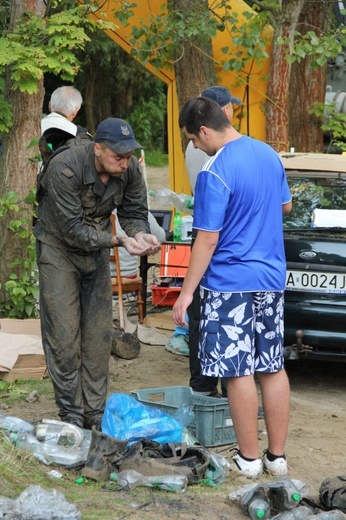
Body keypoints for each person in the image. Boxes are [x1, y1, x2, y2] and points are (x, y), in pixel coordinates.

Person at [173, 97, 292, 479]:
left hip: (229, 285)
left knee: (238, 369)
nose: (194, 146)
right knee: (271, 366)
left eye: (192, 138)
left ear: (204, 130)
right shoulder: (269, 155)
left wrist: (187, 292)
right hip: (271, 280)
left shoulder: (215, 170)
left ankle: (250, 459)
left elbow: (206, 240)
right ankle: (277, 457)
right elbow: (285, 207)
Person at [34, 117, 161, 431]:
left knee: (97, 337)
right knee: (63, 337)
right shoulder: (64, 167)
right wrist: (119, 240)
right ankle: (71, 414)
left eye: (128, 156)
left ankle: (94, 413)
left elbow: (133, 211)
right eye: (118, 157)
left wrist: (140, 233)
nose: (124, 163)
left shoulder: (128, 169)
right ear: (97, 150)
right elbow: (73, 230)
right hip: (59, 249)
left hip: (97, 250)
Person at [110, 211, 166, 278]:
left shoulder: (98, 213)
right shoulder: (137, 211)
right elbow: (160, 237)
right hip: (127, 272)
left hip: (98, 273)